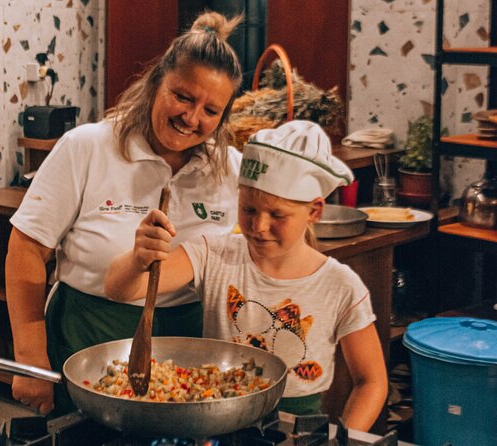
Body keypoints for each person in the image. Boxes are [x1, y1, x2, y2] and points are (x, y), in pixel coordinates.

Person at [5, 11, 244, 416]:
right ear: (156, 83)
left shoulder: (230, 169)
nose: (192, 118)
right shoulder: (87, 147)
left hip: (189, 353)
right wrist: (29, 358)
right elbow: (26, 248)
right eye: (183, 96)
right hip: (85, 338)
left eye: (210, 110)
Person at [104, 120, 389, 431]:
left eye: (278, 215)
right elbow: (120, 290)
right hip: (218, 423)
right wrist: (138, 258)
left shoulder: (340, 285)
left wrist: (345, 438)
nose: (259, 226)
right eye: (248, 210)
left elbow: (371, 381)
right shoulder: (213, 254)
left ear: (315, 211)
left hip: (298, 429)